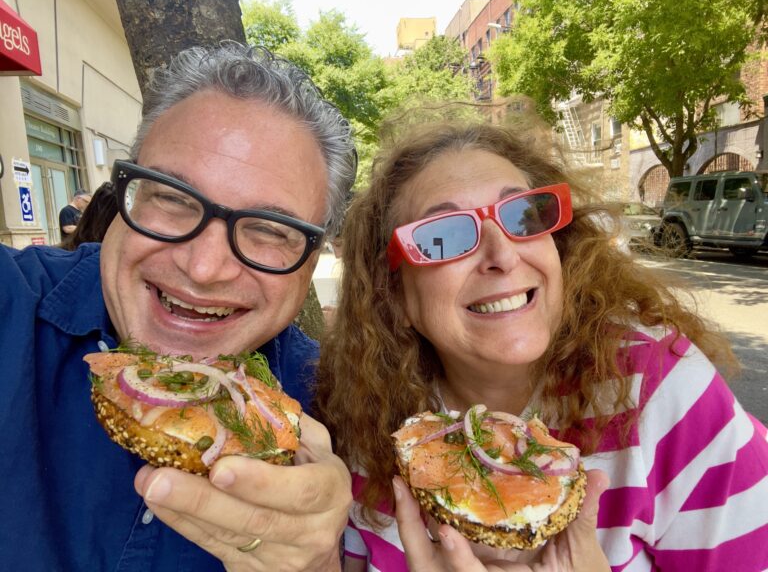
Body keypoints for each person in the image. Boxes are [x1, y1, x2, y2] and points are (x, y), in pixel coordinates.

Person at [314, 112, 768, 571]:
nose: (503, 255)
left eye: (524, 216)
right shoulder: (366, 421)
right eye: (443, 237)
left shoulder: (664, 389)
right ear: (394, 297)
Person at [0, 43, 357, 572]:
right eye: (171, 196)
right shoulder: (12, 301)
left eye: (269, 230)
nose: (205, 267)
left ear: (312, 264)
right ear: (124, 194)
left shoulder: (339, 409)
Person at [59, 181, 118, 250]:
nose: (87, 204)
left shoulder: (81, 212)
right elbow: (67, 228)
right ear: (78, 198)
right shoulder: (66, 210)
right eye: (86, 201)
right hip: (73, 247)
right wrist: (87, 227)